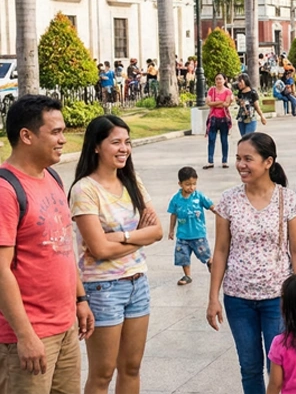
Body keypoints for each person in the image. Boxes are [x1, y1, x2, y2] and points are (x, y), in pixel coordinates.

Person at [0, 96, 94, 394]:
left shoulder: (51, 176)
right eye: (55, 132)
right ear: (26, 136)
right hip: (26, 336)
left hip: (65, 327)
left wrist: (80, 300)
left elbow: (63, 245)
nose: (63, 140)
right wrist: (25, 335)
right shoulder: (5, 190)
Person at [206, 133, 296, 394]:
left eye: (248, 159)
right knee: (249, 367)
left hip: (278, 298)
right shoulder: (229, 200)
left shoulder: (289, 200)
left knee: (278, 369)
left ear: (268, 162)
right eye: (238, 158)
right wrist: (213, 297)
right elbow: (220, 250)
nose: (241, 165)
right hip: (238, 299)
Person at [69, 115, 163, 394]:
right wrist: (139, 238)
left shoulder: (131, 180)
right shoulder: (84, 189)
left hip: (138, 282)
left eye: (127, 142)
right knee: (103, 373)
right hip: (102, 288)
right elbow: (98, 249)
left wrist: (120, 237)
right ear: (96, 146)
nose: (124, 148)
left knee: (132, 367)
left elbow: (157, 231)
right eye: (116, 142)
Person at [166, 166, 214, 286]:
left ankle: (211, 265)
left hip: (198, 234)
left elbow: (211, 206)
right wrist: (171, 230)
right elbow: (173, 215)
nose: (191, 187)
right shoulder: (176, 199)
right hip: (182, 235)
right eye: (188, 184)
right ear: (180, 184)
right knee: (183, 256)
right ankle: (187, 275)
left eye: (194, 184)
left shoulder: (199, 196)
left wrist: (221, 213)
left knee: (205, 254)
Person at [204, 73, 234, 170]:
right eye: (217, 79)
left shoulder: (228, 91)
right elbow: (208, 103)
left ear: (224, 80)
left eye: (220, 79)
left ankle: (224, 161)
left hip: (223, 118)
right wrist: (220, 102)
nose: (219, 81)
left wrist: (215, 103)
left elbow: (226, 104)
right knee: (211, 140)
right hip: (213, 118)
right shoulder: (211, 90)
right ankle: (210, 161)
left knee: (224, 140)